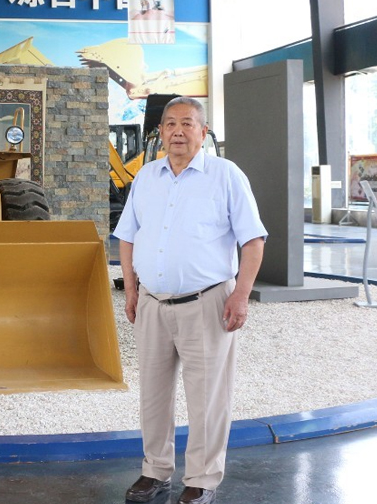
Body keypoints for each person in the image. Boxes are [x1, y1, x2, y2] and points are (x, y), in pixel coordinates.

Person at [113, 96, 267, 504]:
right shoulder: (147, 176)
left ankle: (202, 479)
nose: (177, 131)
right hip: (152, 304)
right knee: (153, 395)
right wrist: (132, 289)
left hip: (207, 303)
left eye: (187, 123)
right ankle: (155, 471)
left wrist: (241, 295)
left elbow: (253, 240)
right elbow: (127, 236)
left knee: (208, 398)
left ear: (203, 132)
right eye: (170, 124)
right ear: (160, 132)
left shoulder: (226, 175)